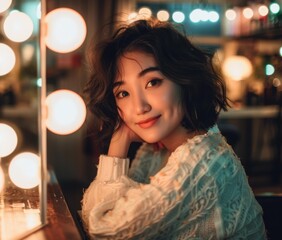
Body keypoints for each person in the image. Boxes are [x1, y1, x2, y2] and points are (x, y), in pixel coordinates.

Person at [81, 18, 266, 239]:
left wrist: (117, 145)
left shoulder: (204, 162)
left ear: (184, 79)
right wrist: (120, 138)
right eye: (123, 93)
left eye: (152, 82)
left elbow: (103, 230)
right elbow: (107, 215)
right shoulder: (154, 153)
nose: (140, 107)